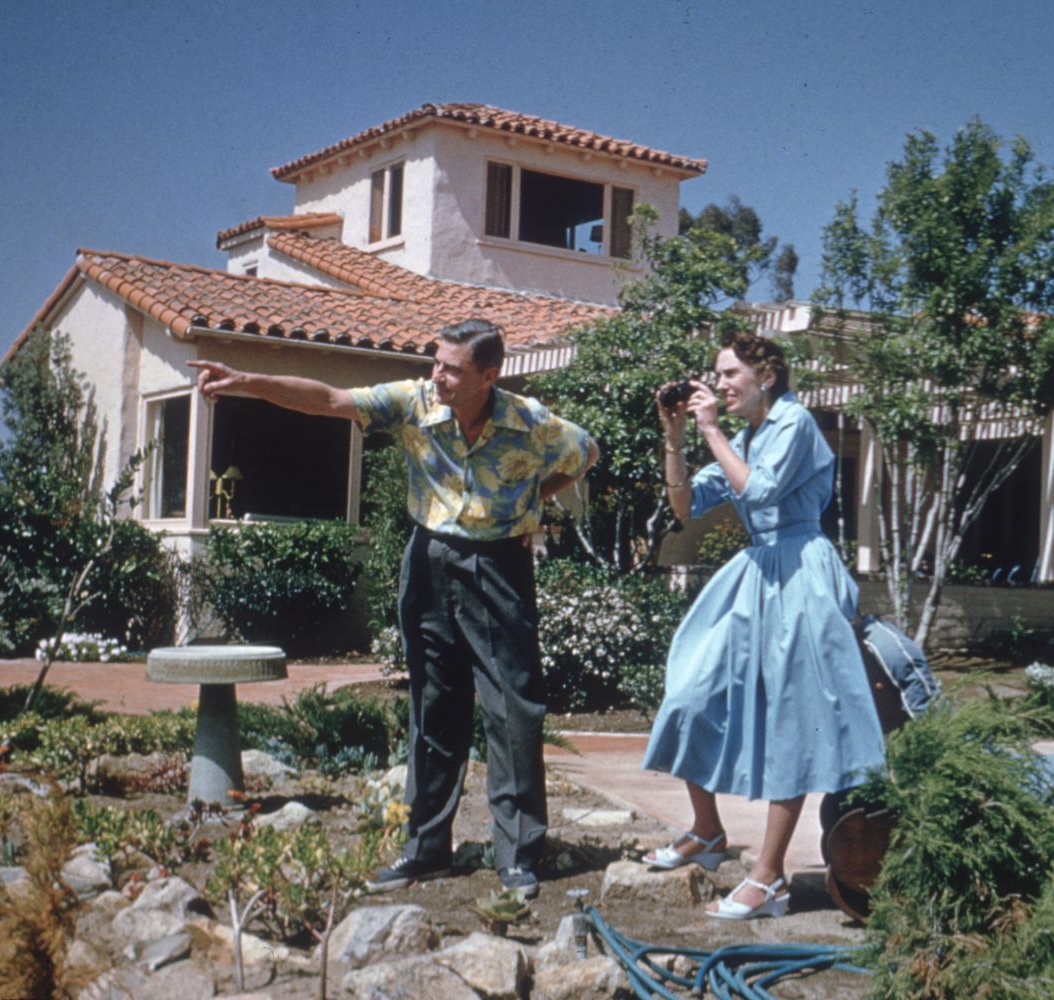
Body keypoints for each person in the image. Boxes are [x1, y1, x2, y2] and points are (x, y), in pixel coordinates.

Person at [188, 319, 598, 899]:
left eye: (453, 369)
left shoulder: (529, 420)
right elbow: (329, 399)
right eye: (437, 362)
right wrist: (246, 380)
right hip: (430, 561)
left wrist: (529, 498)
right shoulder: (414, 402)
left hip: (500, 565)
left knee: (512, 712)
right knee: (433, 706)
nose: (439, 376)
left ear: (490, 374)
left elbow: (585, 453)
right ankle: (426, 849)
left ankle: (518, 856)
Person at [641, 330, 884, 920]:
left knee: (790, 722)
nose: (720, 385)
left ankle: (769, 876)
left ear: (766, 377)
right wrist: (675, 438)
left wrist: (708, 431)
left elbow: (763, 488)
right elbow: (683, 508)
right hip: (755, 572)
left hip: (801, 572)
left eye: (730, 376)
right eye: (718, 377)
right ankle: (707, 831)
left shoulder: (794, 423)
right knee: (690, 693)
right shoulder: (746, 434)